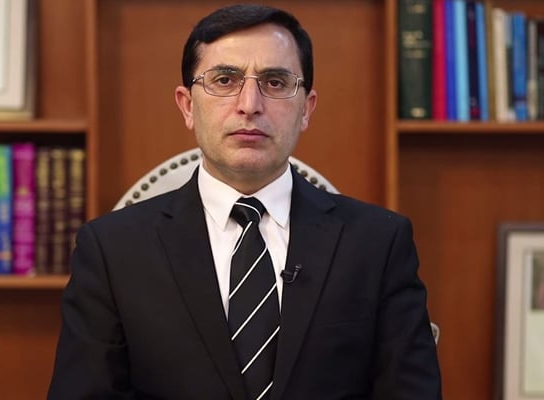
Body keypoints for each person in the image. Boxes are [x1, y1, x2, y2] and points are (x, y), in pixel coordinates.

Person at [47, 4, 442, 399]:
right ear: (187, 105)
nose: (249, 103)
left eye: (275, 82)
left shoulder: (379, 244)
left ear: (306, 108)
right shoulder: (112, 251)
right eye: (224, 80)